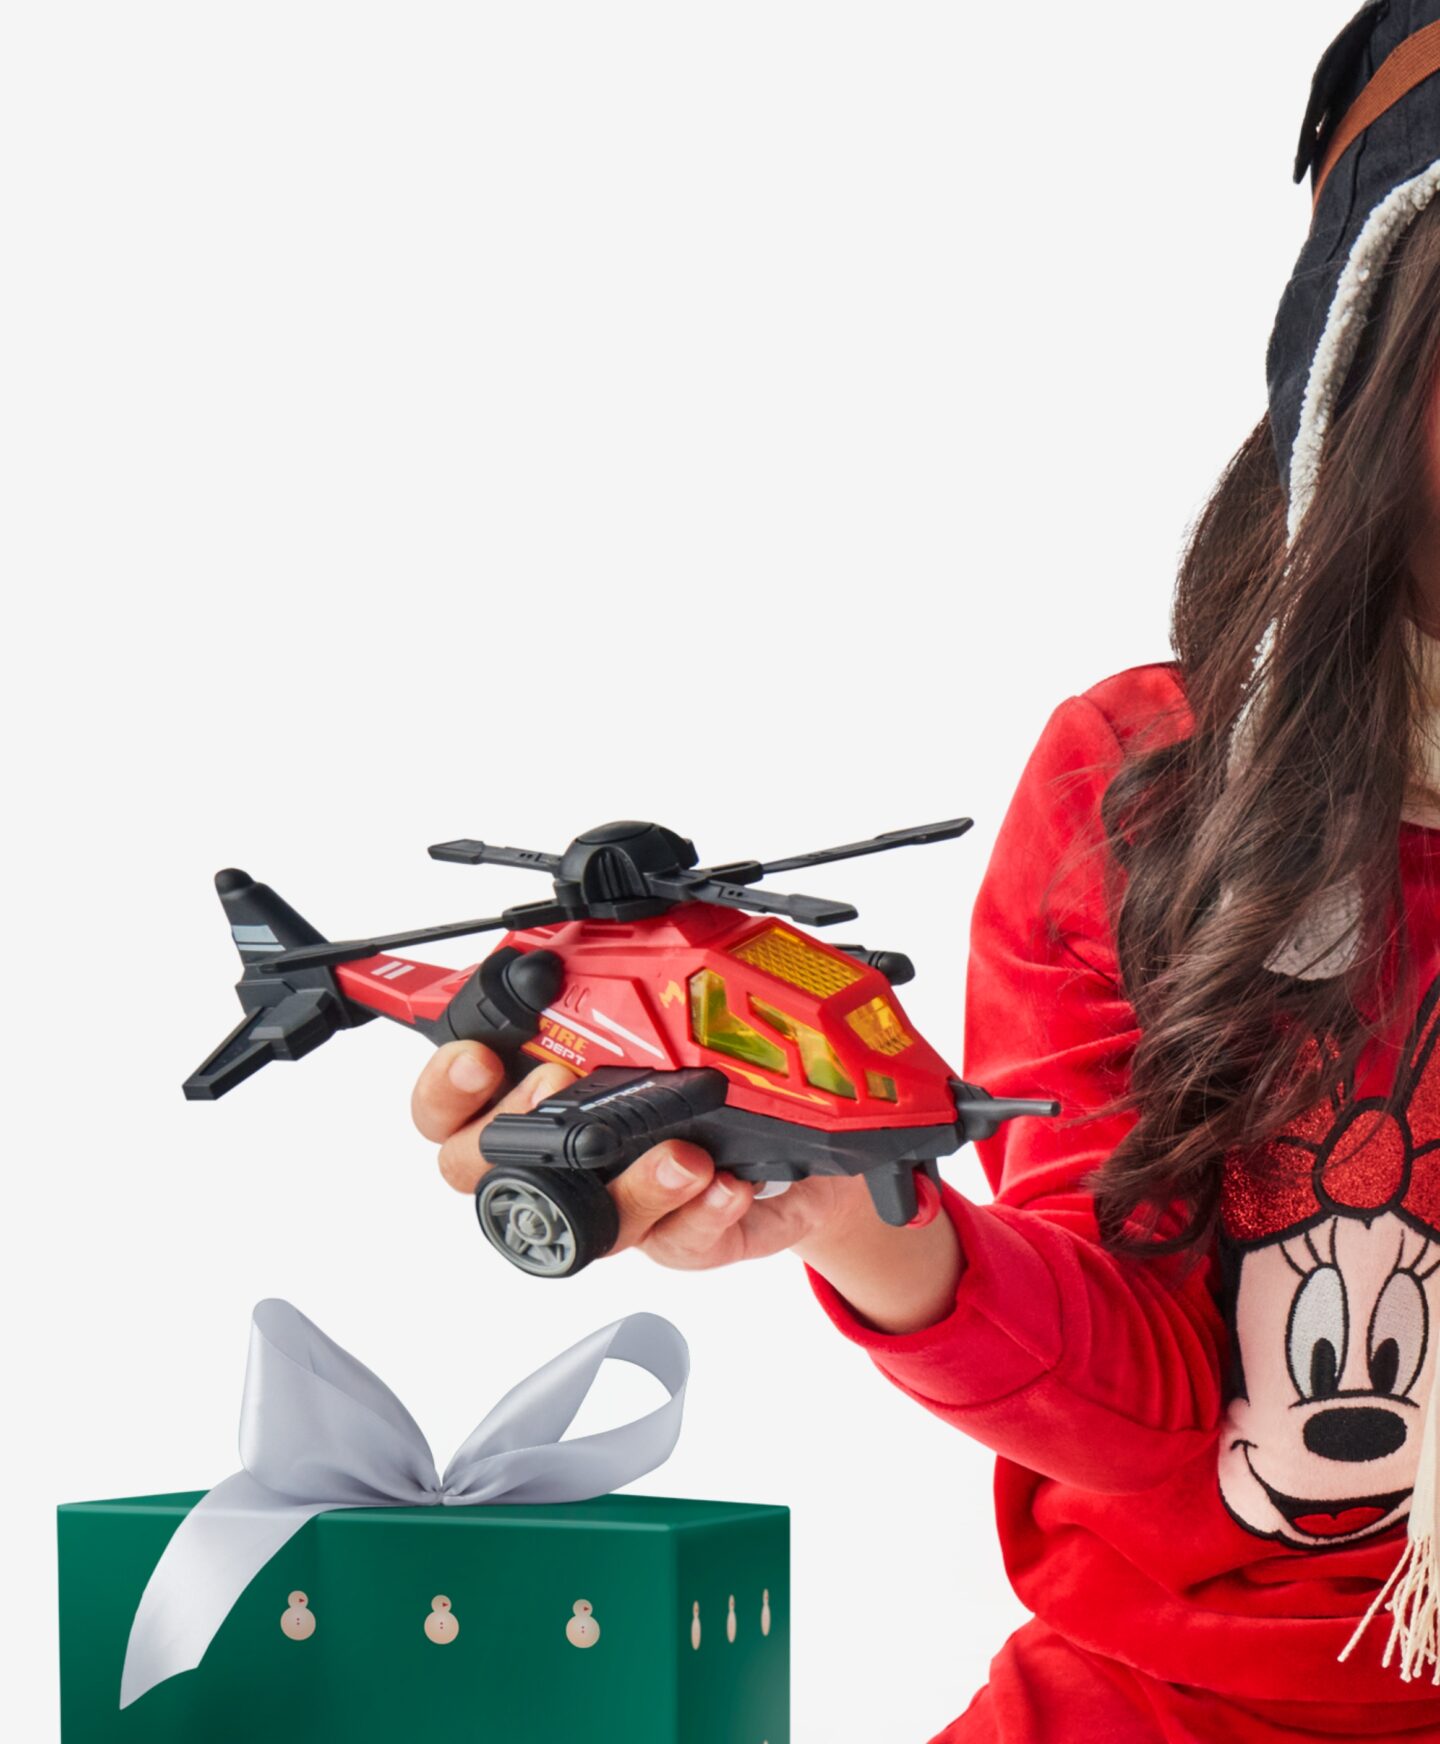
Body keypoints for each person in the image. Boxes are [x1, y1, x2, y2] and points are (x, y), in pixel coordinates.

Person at [411, 5, 1440, 1737]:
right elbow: (1146, 1406)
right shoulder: (1144, 794)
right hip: (1172, 1699)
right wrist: (859, 1211)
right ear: (1366, 364)